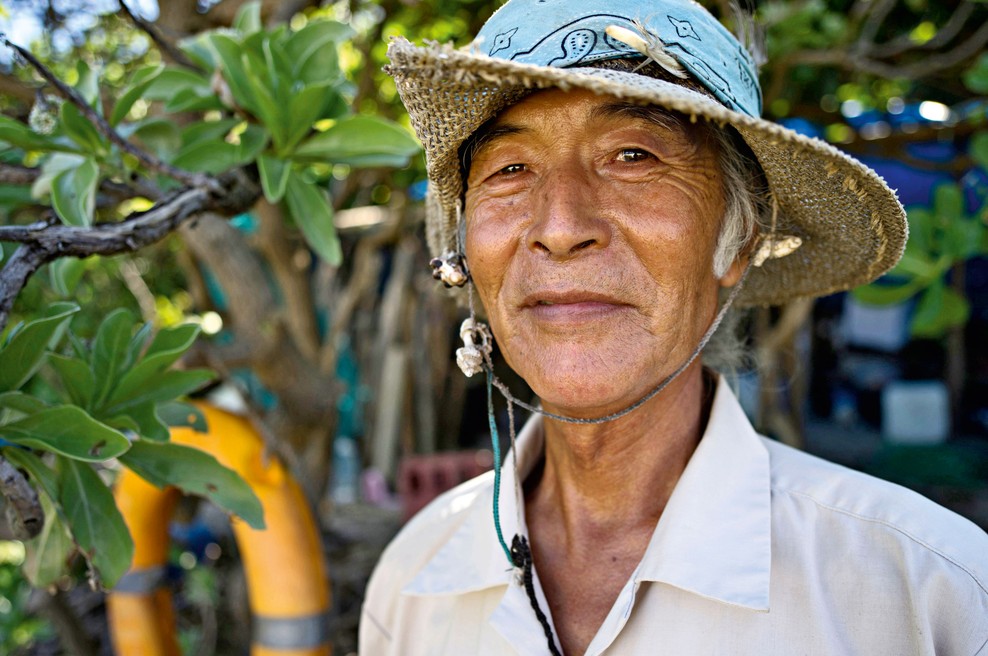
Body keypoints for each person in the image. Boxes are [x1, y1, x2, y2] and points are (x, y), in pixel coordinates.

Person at [361, 0, 988, 654]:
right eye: (510, 169)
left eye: (633, 155)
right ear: (467, 251)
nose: (561, 227)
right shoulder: (412, 582)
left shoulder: (925, 593)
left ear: (737, 238)